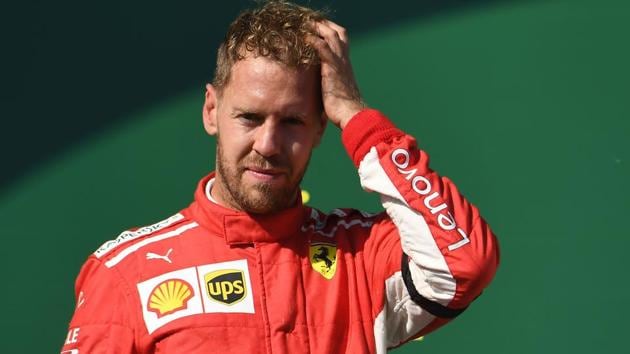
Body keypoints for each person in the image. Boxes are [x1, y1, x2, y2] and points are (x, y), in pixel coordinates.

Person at [61, 1, 499, 353]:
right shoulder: (126, 273)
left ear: (321, 126)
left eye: (292, 121)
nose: (268, 145)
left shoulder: (360, 259)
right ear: (211, 110)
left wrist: (357, 117)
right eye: (249, 117)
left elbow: (465, 264)